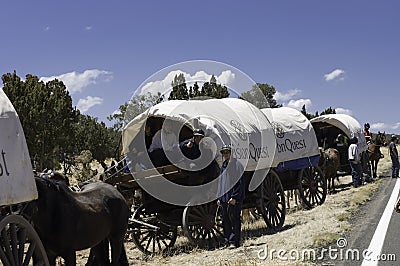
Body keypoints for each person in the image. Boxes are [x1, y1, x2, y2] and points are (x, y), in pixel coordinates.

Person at [217, 144, 245, 249]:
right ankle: (227, 240)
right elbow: (220, 182)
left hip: (232, 199)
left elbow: (239, 183)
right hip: (224, 198)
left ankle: (235, 241)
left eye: (227, 152)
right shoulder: (224, 166)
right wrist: (219, 197)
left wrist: (234, 197)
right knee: (225, 220)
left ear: (231, 153)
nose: (225, 154)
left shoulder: (237, 165)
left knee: (234, 219)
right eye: (224, 153)